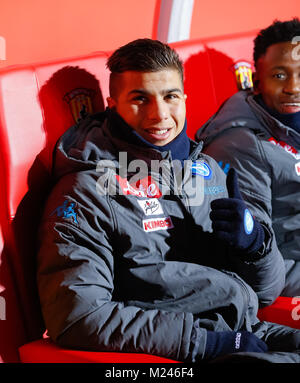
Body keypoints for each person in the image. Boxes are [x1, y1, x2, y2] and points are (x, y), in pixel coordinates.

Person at [37, 38, 300, 363]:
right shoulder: (86, 191)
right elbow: (78, 317)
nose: (159, 114)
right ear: (113, 104)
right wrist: (208, 343)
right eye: (139, 99)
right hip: (178, 351)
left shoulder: (208, 171)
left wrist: (255, 246)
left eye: (170, 96)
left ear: (184, 100)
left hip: (243, 328)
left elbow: (266, 292)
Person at [196, 18, 300, 297]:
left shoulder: (291, 123)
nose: (293, 87)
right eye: (280, 75)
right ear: (257, 79)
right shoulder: (240, 145)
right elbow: (258, 268)